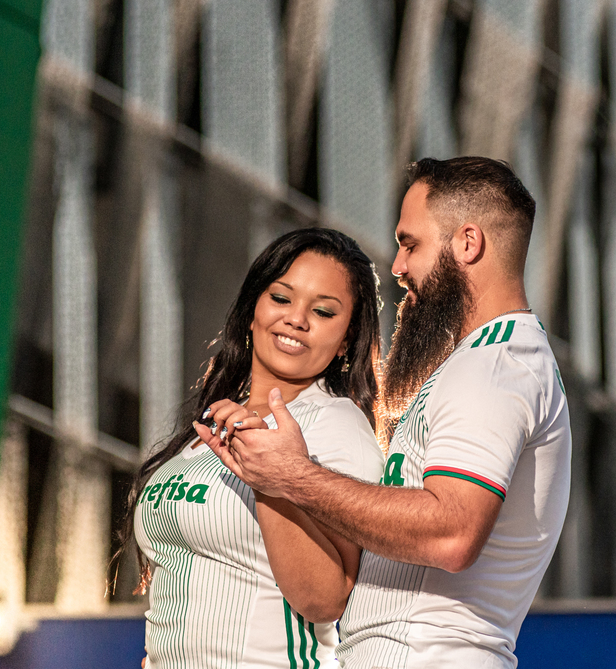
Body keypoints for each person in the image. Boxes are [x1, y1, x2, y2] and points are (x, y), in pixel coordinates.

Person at [200, 157, 572, 669]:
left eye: (410, 243)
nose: (397, 267)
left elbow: (452, 531)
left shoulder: (497, 363)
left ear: (468, 243)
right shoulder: (481, 361)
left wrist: (294, 476)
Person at [124, 227, 386, 669]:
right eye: (281, 299)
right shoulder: (210, 426)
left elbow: (326, 600)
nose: (296, 319)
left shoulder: (336, 425)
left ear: (346, 340)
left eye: (323, 311)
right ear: (252, 310)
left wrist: (270, 476)